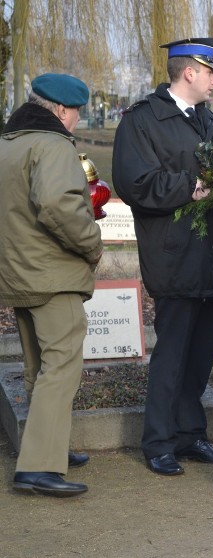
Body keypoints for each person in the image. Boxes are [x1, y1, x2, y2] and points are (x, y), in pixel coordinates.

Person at [112, 38, 213, 476]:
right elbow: (134, 182)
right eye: (211, 72)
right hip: (174, 254)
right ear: (190, 72)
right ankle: (159, 441)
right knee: (171, 355)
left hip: (212, 257)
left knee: (201, 354)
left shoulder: (209, 122)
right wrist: (191, 186)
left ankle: (190, 435)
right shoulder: (144, 120)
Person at [0, 73, 103, 497]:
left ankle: (47, 447)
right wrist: (93, 243)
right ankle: (39, 466)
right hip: (52, 273)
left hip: (16, 271)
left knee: (37, 366)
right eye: (76, 112)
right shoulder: (54, 144)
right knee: (61, 366)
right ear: (62, 110)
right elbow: (58, 206)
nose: (77, 120)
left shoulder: (8, 144)